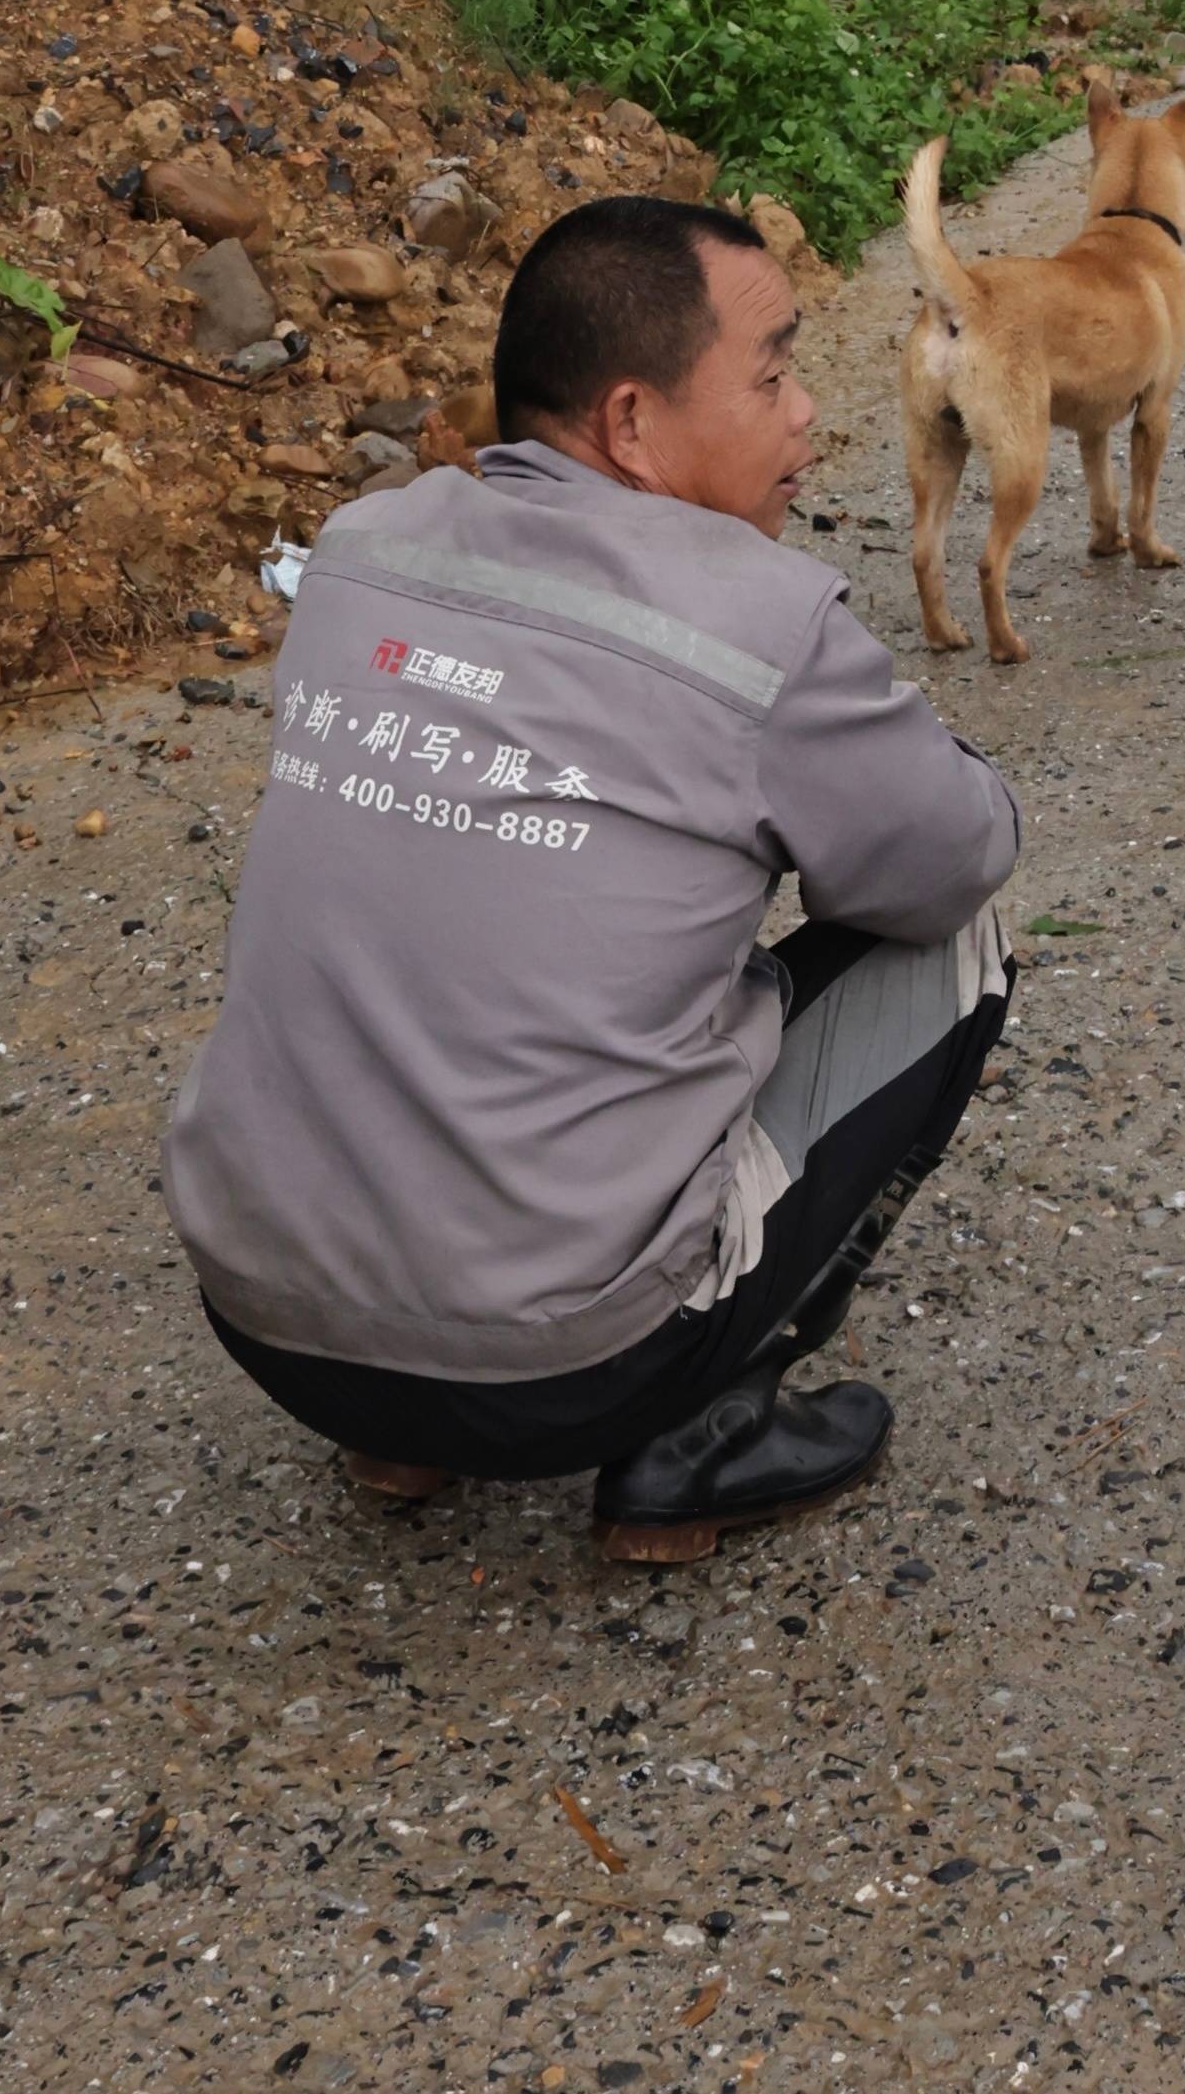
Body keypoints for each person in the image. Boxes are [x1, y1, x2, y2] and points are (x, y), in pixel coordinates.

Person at [163, 195, 1019, 1561]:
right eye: (775, 373)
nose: (807, 413)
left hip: (261, 1312)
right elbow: (953, 851)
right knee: (957, 941)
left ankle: (396, 1436)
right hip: (566, 1362)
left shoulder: (361, 550)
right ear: (630, 423)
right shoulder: (757, 617)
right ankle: (700, 1436)